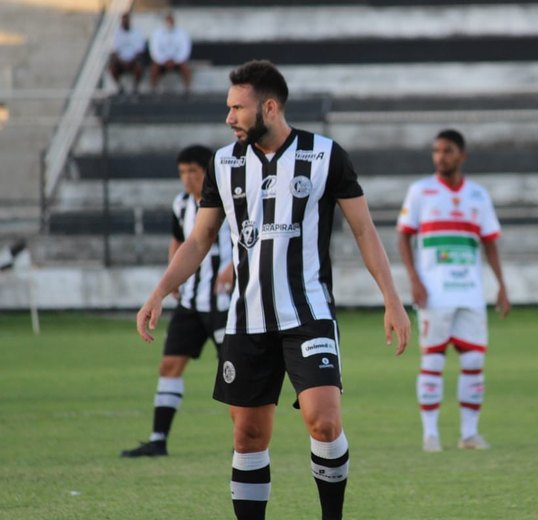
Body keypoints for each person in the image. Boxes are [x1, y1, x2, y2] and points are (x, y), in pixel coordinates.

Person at [136, 60, 410, 520]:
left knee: (324, 422)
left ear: (269, 106)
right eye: (228, 108)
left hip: (308, 314)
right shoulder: (223, 164)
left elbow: (365, 231)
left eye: (238, 108)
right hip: (246, 320)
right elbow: (199, 239)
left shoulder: (325, 155)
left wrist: (393, 299)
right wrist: (159, 291)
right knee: (248, 436)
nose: (229, 118)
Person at [397, 129, 510, 453]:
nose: (440, 157)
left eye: (447, 151)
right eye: (436, 151)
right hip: (434, 292)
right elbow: (403, 236)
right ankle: (430, 435)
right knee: (432, 361)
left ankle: (469, 434)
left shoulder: (478, 195)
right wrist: (415, 279)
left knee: (473, 361)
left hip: (471, 292)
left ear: (462, 155)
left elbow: (489, 242)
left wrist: (501, 285)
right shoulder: (420, 191)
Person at [123, 145, 233, 458]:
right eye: (182, 172)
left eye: (193, 172)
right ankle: (158, 439)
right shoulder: (182, 203)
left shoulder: (229, 201)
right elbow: (178, 240)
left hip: (224, 304)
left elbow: (249, 240)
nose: (187, 179)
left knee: (233, 370)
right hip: (190, 303)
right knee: (169, 364)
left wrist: (233, 268)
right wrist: (173, 278)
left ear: (206, 172)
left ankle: (243, 440)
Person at [149, 12, 192, 93]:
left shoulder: (182, 33)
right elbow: (155, 51)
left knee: (186, 67)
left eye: (171, 21)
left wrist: (175, 61)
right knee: (154, 68)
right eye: (168, 21)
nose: (169, 24)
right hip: (162, 61)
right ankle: (153, 89)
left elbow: (185, 50)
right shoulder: (157, 34)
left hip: (177, 61)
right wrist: (164, 61)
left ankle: (187, 89)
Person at [109, 12, 145, 95]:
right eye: (123, 21)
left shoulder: (137, 32)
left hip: (133, 60)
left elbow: (140, 50)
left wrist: (131, 61)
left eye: (126, 20)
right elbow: (114, 51)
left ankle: (135, 87)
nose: (125, 23)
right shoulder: (116, 33)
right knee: (112, 68)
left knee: (139, 67)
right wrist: (122, 61)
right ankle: (119, 87)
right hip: (121, 61)